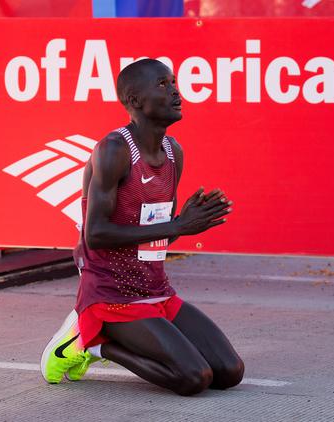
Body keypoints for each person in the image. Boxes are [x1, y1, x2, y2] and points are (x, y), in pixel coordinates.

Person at [40, 58, 244, 396]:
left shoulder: (173, 152)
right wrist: (177, 224)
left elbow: (159, 235)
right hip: (110, 294)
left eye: (174, 82)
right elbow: (97, 234)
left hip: (156, 290)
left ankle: (100, 340)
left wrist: (187, 225)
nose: (176, 92)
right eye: (163, 85)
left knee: (229, 372)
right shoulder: (114, 150)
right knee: (193, 378)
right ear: (135, 101)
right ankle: (91, 344)